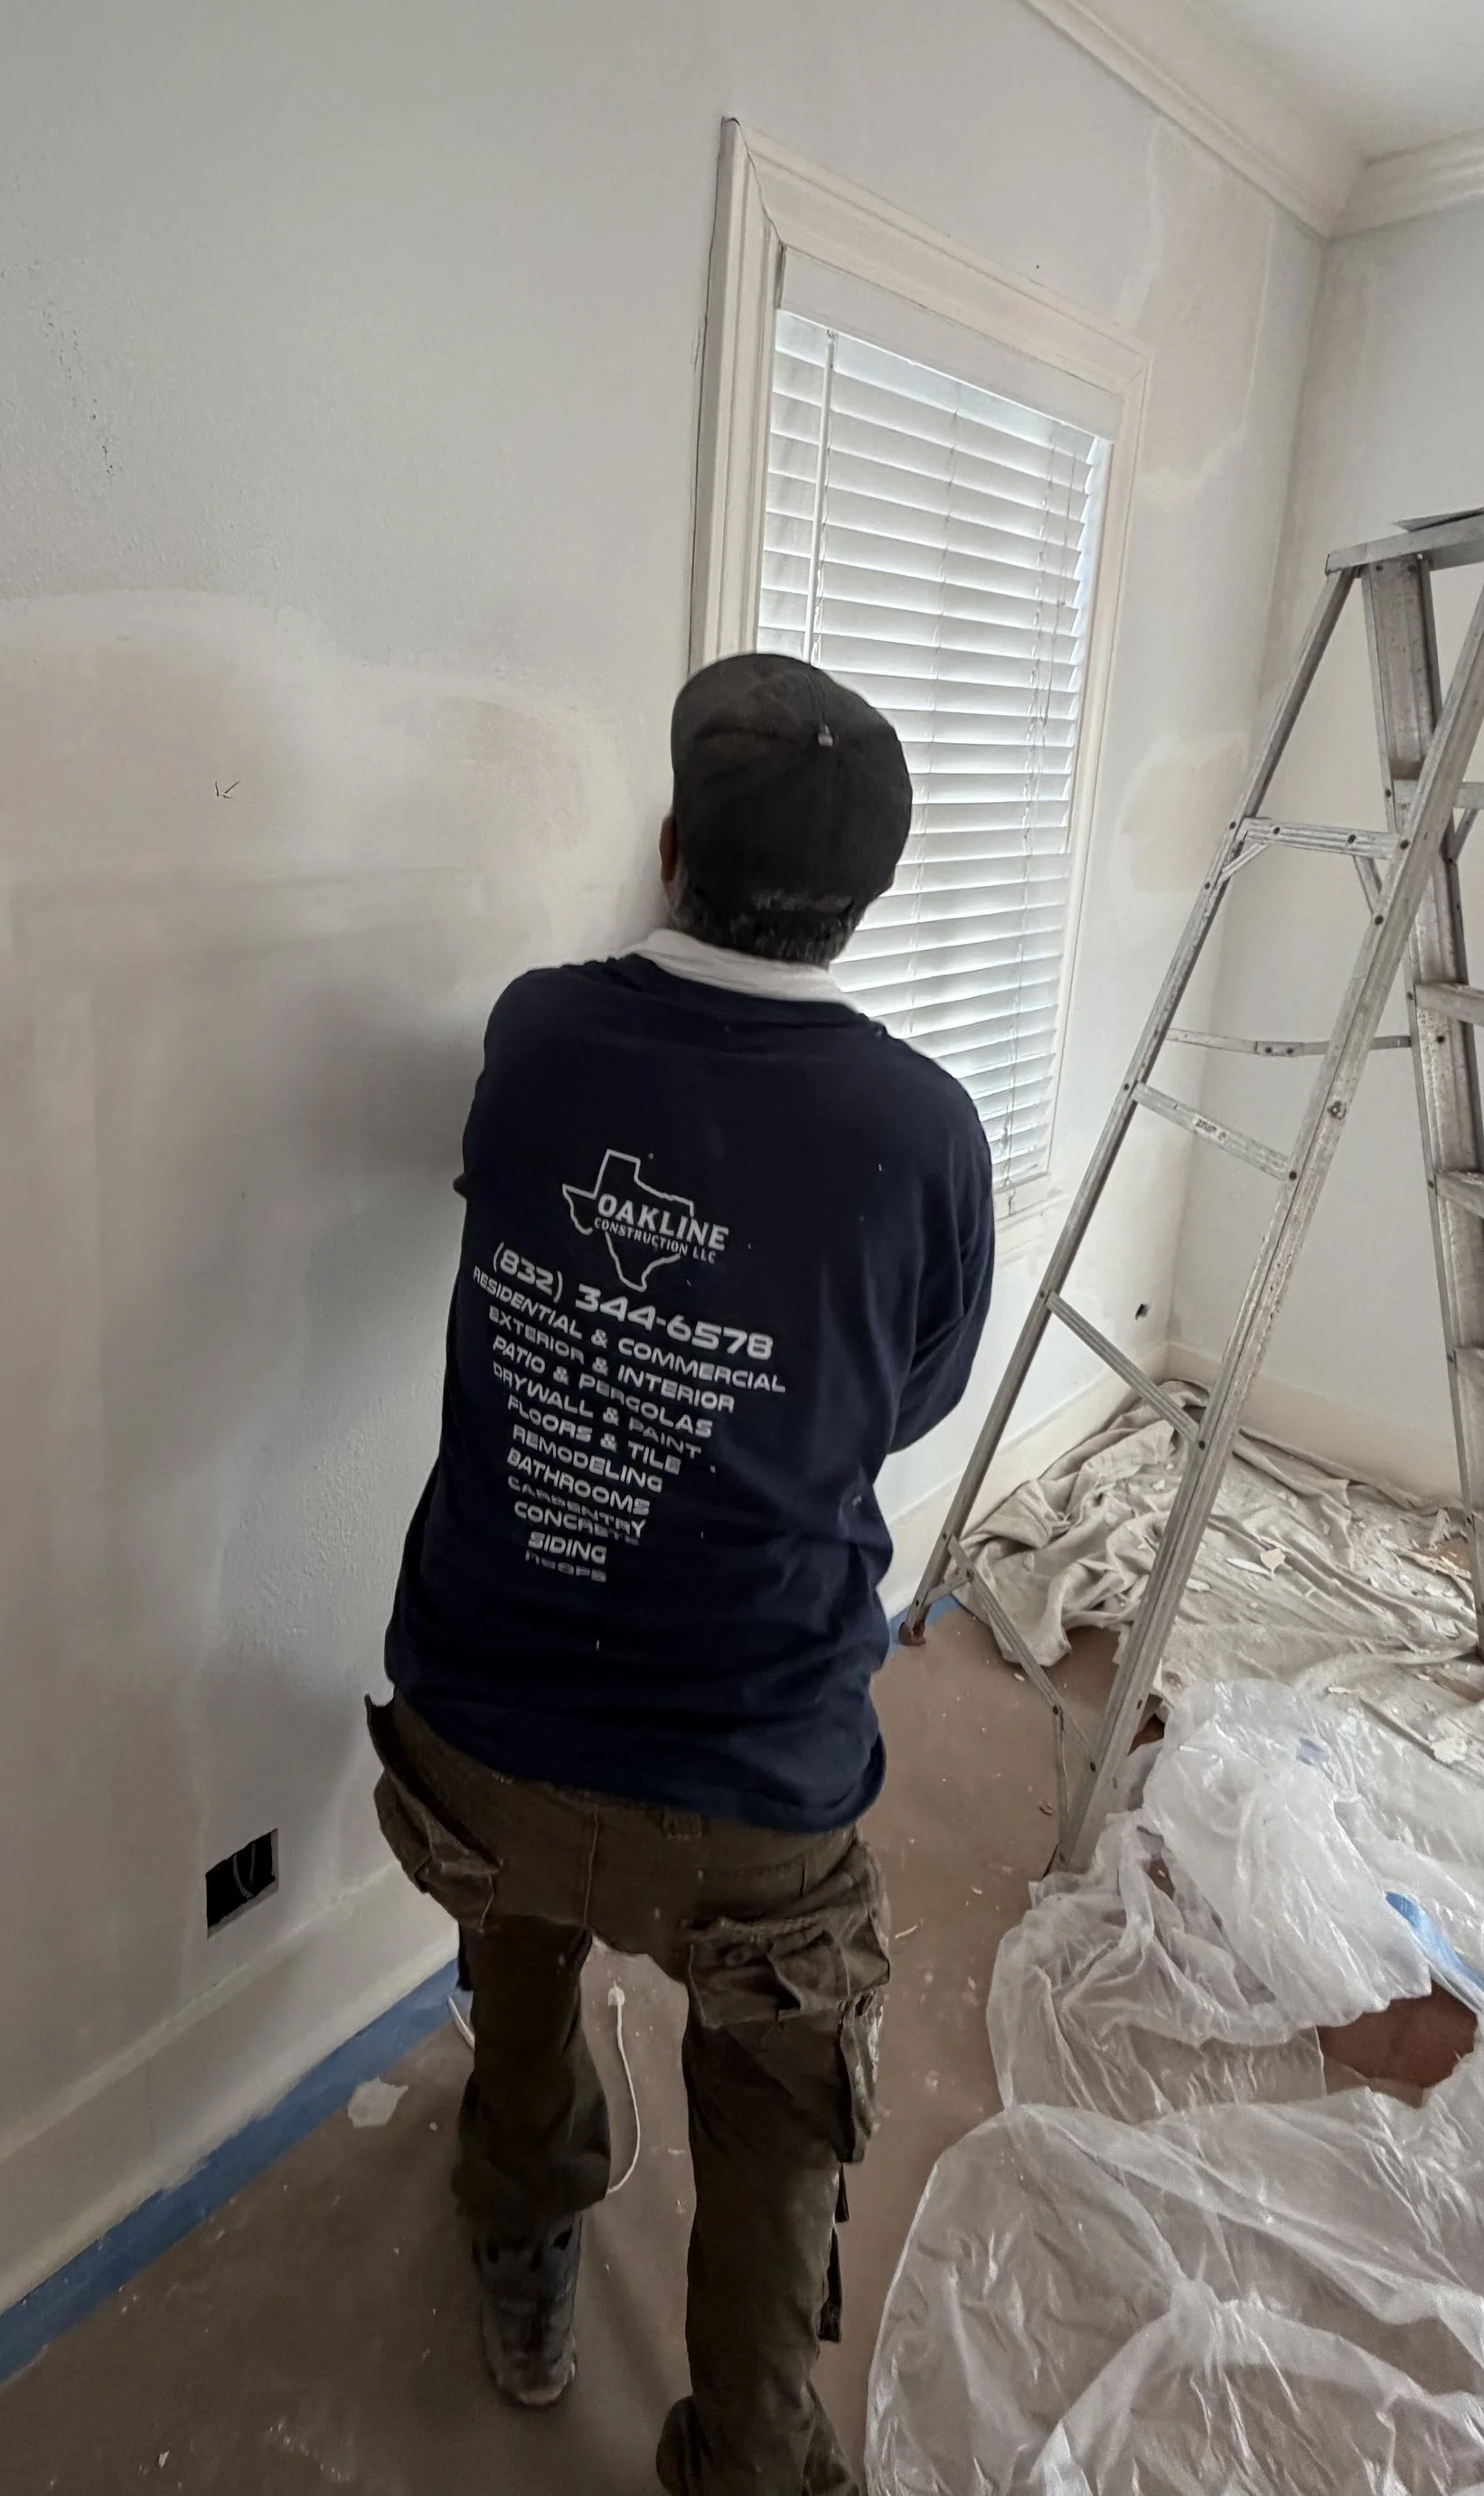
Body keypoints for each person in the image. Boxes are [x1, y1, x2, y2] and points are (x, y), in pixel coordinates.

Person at [370, 650, 996, 2496]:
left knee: (523, 1949)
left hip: (468, 1718)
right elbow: (910, 1391)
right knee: (771, 2094)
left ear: (664, 847)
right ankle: (749, 2451)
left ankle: (520, 2226)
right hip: (743, 1789)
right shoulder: (914, 1131)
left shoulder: (539, 1033)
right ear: (865, 906)